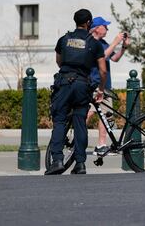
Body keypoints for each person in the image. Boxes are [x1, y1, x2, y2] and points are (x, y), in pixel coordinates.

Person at [45, 9, 106, 175]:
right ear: (89, 23)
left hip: (64, 83)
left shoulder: (64, 39)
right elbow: (102, 70)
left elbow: (59, 60)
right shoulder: (94, 43)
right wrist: (100, 89)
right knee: (80, 122)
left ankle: (57, 160)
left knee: (59, 121)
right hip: (82, 85)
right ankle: (80, 164)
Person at [86, 16, 128, 155]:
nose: (107, 29)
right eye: (105, 26)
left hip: (105, 85)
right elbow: (102, 57)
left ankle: (101, 145)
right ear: (97, 28)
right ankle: (74, 139)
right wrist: (115, 42)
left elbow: (114, 58)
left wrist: (123, 47)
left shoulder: (103, 42)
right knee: (90, 113)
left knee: (104, 114)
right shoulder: (90, 42)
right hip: (95, 84)